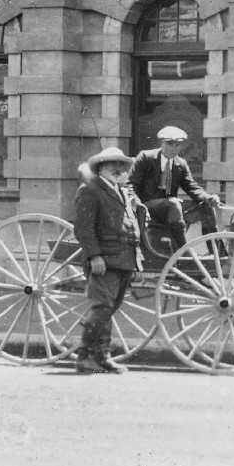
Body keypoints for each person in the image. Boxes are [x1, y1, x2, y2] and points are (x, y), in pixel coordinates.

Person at [72, 146, 141, 374]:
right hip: (104, 261)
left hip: (123, 260)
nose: (116, 168)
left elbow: (131, 226)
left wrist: (136, 262)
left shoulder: (120, 191)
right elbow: (83, 228)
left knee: (109, 310)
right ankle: (84, 357)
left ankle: (102, 356)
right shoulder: (90, 190)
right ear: (100, 167)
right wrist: (94, 256)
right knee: (102, 308)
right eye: (110, 164)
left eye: (120, 165)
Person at [129, 127, 220, 254]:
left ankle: (217, 253)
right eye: (170, 144)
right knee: (173, 203)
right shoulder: (146, 158)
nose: (174, 148)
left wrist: (207, 197)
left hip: (170, 210)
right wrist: (136, 204)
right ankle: (183, 252)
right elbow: (131, 185)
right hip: (147, 206)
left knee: (207, 207)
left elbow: (192, 187)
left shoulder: (180, 164)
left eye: (178, 145)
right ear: (161, 143)